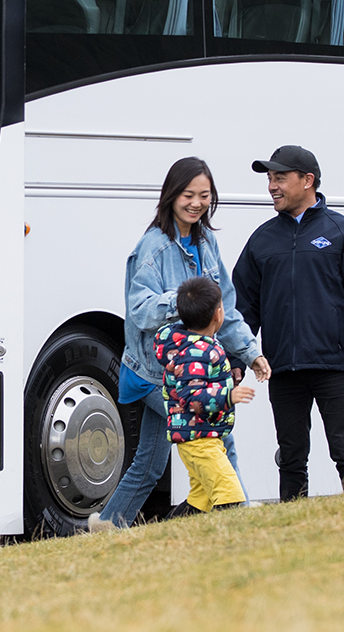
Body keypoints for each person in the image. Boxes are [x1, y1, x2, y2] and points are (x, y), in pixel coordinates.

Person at [89, 157, 269, 532]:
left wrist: (251, 352)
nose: (196, 203)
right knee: (215, 429)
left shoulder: (207, 242)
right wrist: (182, 300)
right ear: (171, 195)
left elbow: (226, 306)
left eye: (204, 195)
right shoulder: (152, 248)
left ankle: (106, 526)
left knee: (151, 462)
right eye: (188, 194)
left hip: (184, 370)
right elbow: (139, 310)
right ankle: (237, 518)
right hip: (157, 373)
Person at [233, 145, 344, 501]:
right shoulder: (262, 239)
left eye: (280, 177)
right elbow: (244, 308)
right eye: (270, 178)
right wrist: (237, 358)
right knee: (291, 459)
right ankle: (292, 530)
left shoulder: (343, 232)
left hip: (334, 365)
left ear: (307, 181)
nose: (272, 186)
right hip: (282, 368)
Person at [157, 277, 257, 514]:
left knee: (201, 500)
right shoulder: (195, 351)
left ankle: (171, 534)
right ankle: (226, 542)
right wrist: (228, 396)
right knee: (230, 494)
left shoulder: (201, 344)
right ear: (217, 314)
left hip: (203, 435)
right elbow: (190, 396)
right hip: (198, 438)